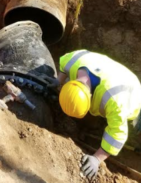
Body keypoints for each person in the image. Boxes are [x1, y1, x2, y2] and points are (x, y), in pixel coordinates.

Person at [56, 50, 141, 179]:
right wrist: (58, 81)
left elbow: (118, 135)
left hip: (132, 91)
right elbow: (63, 64)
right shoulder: (74, 61)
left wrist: (96, 158)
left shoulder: (116, 103)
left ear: (90, 98)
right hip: (110, 72)